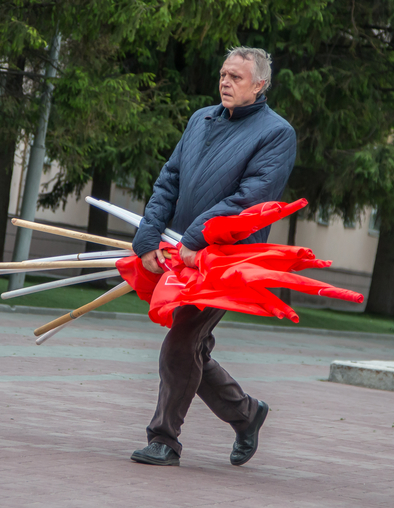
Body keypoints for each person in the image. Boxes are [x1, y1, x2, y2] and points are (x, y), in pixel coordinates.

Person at [129, 47, 297, 467]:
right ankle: (247, 414)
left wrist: (199, 234)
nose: (225, 82)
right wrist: (149, 234)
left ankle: (164, 440)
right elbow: (169, 179)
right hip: (179, 250)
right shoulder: (200, 119)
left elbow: (252, 198)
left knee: (181, 342)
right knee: (194, 351)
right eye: (223, 74)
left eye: (236, 77)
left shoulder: (277, 133)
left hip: (227, 260)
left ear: (260, 85)